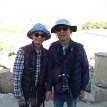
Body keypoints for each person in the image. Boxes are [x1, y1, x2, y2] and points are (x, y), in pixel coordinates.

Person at [45, 19, 89, 107]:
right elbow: (49, 69)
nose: (62, 31)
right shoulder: (53, 47)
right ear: (56, 33)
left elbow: (85, 69)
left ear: (70, 31)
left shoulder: (79, 48)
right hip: (58, 87)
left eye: (65, 28)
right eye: (58, 29)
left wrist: (83, 89)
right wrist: (49, 89)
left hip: (74, 87)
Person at [13, 23, 51, 107]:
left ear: (44, 38)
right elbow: (16, 77)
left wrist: (48, 90)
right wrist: (20, 97)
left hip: (39, 93)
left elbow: (48, 75)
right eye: (36, 34)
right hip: (26, 94)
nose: (39, 37)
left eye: (42, 35)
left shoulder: (46, 53)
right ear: (31, 36)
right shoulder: (23, 51)